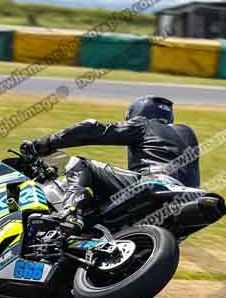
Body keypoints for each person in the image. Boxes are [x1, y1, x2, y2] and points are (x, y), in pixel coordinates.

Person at [20, 95, 200, 237]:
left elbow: (90, 130)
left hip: (154, 184)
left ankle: (70, 214)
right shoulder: (187, 133)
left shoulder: (144, 124)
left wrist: (44, 144)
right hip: (185, 199)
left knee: (81, 163)